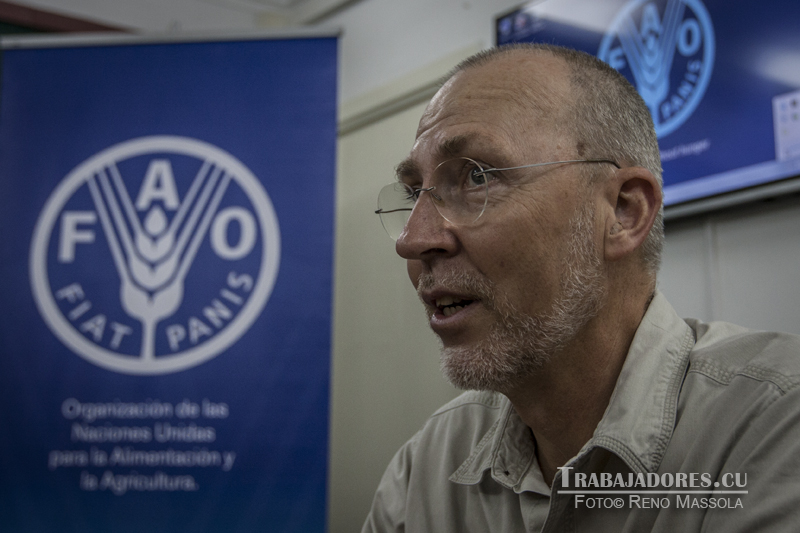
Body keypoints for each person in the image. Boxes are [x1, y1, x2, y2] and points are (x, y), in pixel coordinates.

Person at [364, 43, 800, 532]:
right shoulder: (426, 469)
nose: (412, 240)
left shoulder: (775, 426)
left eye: (477, 176)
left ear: (623, 212)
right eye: (411, 193)